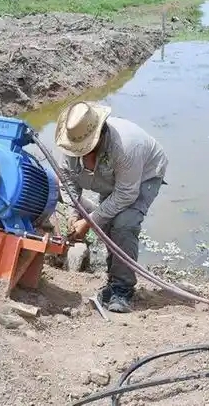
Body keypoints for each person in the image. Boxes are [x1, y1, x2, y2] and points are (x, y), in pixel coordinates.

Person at [55, 101, 168, 313]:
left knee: (124, 223)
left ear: (99, 135)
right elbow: (67, 180)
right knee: (106, 224)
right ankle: (114, 278)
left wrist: (88, 222)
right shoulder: (72, 142)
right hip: (112, 179)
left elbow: (126, 194)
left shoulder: (126, 147)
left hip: (143, 176)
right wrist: (73, 213)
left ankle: (123, 289)